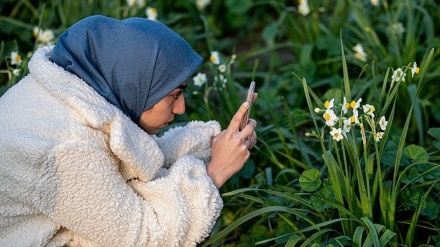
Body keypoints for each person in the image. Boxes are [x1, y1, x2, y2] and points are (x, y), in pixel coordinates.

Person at [0, 15, 257, 246]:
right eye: (174, 94)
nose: (181, 108)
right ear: (134, 87)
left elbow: (135, 156)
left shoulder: (75, 88)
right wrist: (215, 173)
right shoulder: (68, 148)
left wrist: (214, 146)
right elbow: (148, 238)